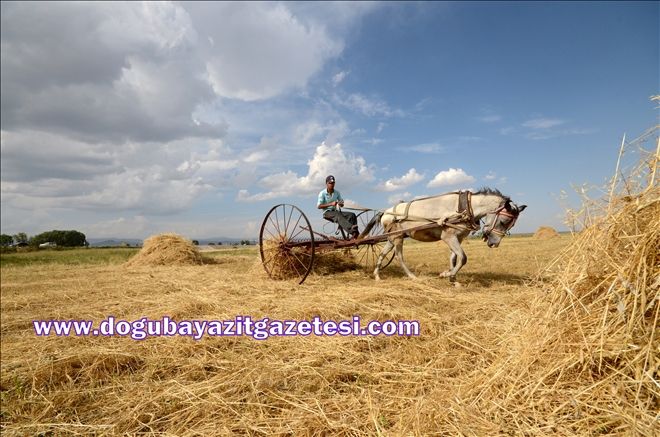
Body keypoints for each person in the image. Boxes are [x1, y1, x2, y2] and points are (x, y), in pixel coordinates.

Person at [317, 175, 359, 239]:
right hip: (327, 213)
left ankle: (355, 233)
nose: (332, 184)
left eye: (333, 183)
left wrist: (341, 203)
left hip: (335, 211)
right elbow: (319, 206)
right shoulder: (322, 193)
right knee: (338, 215)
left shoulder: (337, 192)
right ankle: (352, 229)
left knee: (352, 215)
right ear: (326, 184)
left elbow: (341, 203)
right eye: (330, 183)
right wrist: (331, 204)